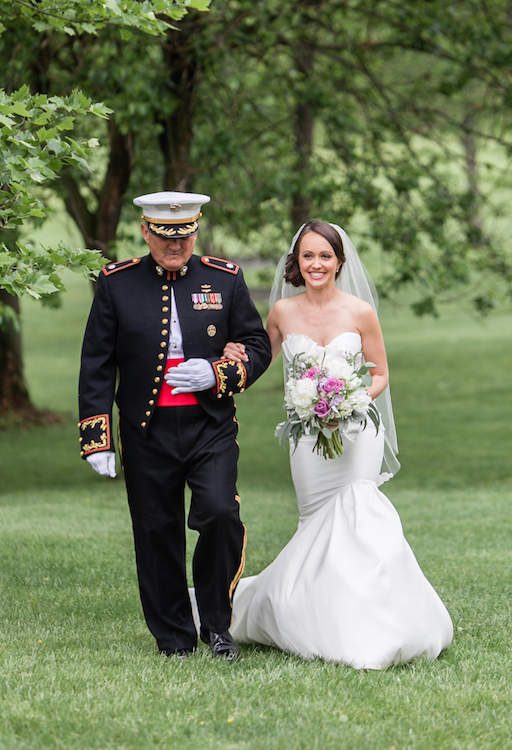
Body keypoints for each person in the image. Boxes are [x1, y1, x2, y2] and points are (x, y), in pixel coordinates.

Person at [221, 220, 453, 669]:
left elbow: (381, 371)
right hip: (306, 440)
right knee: (316, 526)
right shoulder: (283, 314)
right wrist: (236, 358)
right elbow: (260, 357)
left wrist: (354, 399)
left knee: (361, 518)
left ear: (340, 261)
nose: (316, 264)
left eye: (325, 256)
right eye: (307, 256)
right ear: (297, 263)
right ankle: (311, 617)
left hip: (357, 434)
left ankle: (381, 623)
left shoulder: (360, 311)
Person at [78, 191, 272, 661]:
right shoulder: (116, 283)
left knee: (221, 513)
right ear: (146, 232)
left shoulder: (224, 279)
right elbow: (97, 364)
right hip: (147, 429)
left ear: (195, 231)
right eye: (165, 236)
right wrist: (96, 438)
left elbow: (257, 345)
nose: (175, 245)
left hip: (210, 425)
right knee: (155, 529)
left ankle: (218, 626)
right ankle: (174, 639)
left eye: (183, 235)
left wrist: (217, 374)